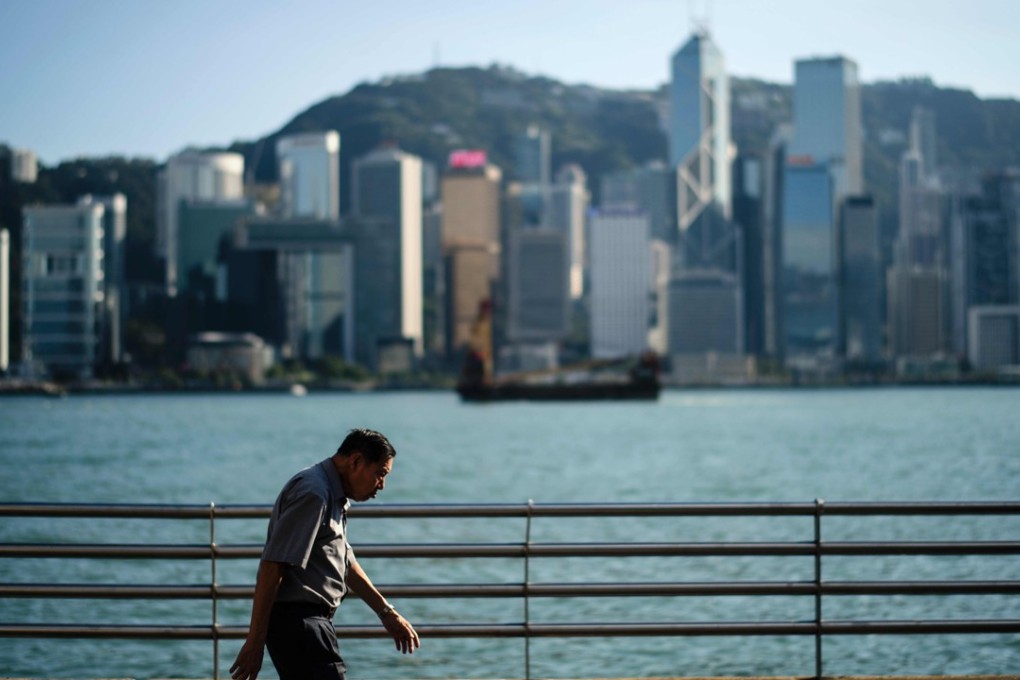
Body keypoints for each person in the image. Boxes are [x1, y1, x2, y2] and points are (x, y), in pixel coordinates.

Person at [230, 428, 420, 680]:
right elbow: (273, 565)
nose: (382, 485)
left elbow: (344, 561)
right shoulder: (314, 493)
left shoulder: (332, 494)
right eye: (380, 474)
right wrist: (255, 641)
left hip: (310, 623)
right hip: (300, 623)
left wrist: (386, 612)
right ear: (356, 461)